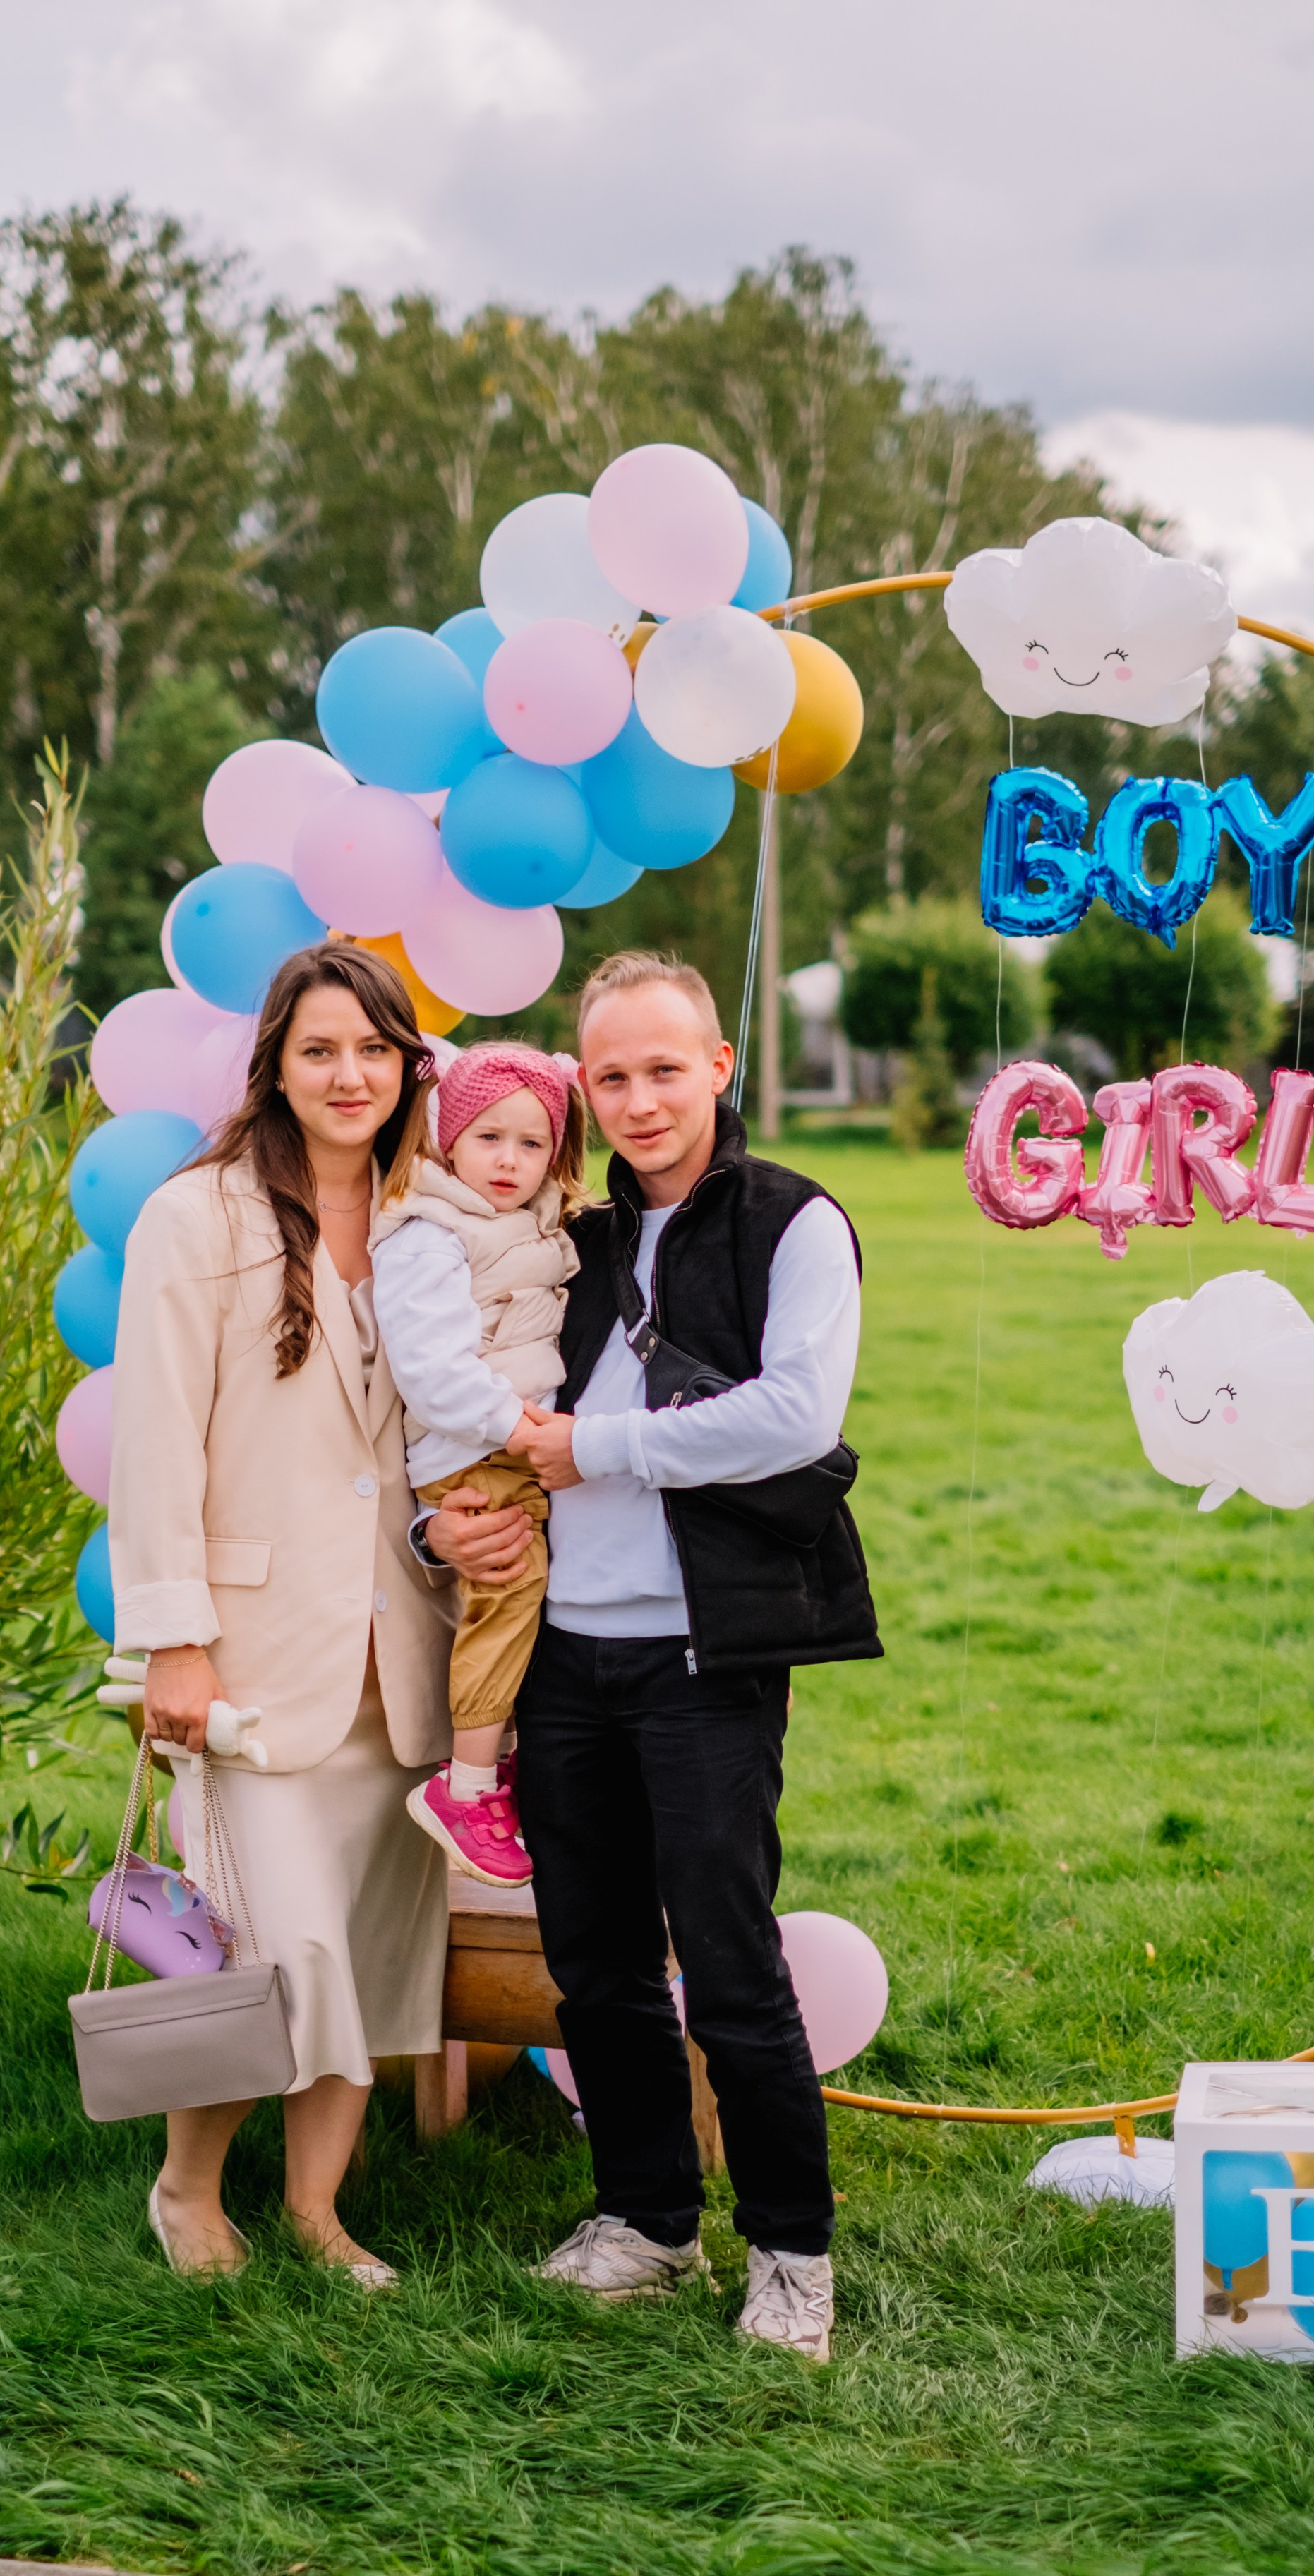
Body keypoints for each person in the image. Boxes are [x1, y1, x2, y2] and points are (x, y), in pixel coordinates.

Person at [437, 949, 881, 2363]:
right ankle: (645, 2222)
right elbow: (472, 1407)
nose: (637, 1100)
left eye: (662, 1070)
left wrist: (597, 1450)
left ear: (719, 1068)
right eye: (609, 1075)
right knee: (595, 1965)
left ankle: (791, 2257)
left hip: (706, 1655)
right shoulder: (559, 1244)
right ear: (584, 1085)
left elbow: (793, 1419)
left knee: (731, 1966)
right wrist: (434, 1528)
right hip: (561, 1660)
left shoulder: (791, 1225)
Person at [109, 939, 457, 2282]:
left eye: (375, 1048)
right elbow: (154, 1445)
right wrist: (176, 1639)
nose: (350, 1074)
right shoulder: (197, 1220)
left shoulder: (430, 1213)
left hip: (400, 1663)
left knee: (366, 1961)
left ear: (406, 1066)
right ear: (275, 1065)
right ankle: (188, 2187)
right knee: (271, 1953)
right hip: (252, 1667)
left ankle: (316, 2214)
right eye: (321, 1049)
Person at [369, 1042, 586, 1889]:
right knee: (509, 1590)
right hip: (477, 1448)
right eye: (489, 1137)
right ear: (447, 1140)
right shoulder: (429, 1235)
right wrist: (519, 1428)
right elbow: (432, 1370)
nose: (509, 1160)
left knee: (541, 1598)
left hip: (513, 1438)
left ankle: (515, 1758)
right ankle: (466, 1785)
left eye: (532, 1144)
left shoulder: (528, 1222)